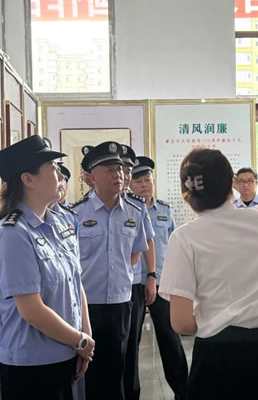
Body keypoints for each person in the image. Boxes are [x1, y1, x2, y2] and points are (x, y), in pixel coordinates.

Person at [159, 148, 258, 400]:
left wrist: (216, 319)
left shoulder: (183, 238)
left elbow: (181, 323)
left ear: (186, 191)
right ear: (231, 183)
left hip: (216, 359)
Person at [0, 135, 95, 400]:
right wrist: (79, 340)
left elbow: (75, 282)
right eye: (52, 167)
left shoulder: (58, 223)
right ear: (28, 179)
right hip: (34, 365)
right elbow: (31, 310)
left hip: (69, 351)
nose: (60, 174)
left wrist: (85, 336)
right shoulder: (13, 233)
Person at [72, 141, 148, 400]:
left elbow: (135, 254)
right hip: (87, 305)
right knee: (86, 371)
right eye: (109, 170)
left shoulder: (134, 212)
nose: (118, 175)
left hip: (120, 303)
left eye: (119, 169)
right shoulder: (76, 214)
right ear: (92, 177)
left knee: (118, 369)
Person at [130, 156, 189, 400]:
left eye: (148, 180)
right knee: (131, 344)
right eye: (139, 181)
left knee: (171, 340)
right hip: (134, 284)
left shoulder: (164, 210)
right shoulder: (127, 210)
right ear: (129, 184)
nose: (145, 185)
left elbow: (174, 245)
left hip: (163, 283)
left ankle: (183, 392)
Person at [119, 144, 157, 400]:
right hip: (96, 292)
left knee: (131, 345)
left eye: (124, 171)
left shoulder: (136, 207)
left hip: (133, 284)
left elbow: (145, 243)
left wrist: (150, 275)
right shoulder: (82, 209)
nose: (120, 176)